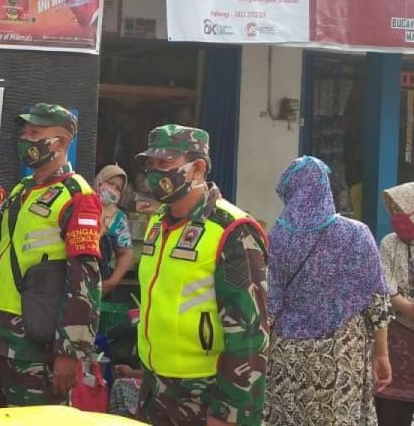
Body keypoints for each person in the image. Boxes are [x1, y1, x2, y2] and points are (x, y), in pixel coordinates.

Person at [0, 103, 103, 406]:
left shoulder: (77, 196)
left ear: (62, 142)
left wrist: (69, 351)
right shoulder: (22, 190)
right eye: (25, 132)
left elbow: (85, 279)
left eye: (36, 132)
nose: (27, 138)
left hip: (36, 343)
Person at [135, 125, 268, 426]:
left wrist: (230, 413)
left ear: (197, 168)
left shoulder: (231, 229)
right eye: (151, 165)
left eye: (165, 164)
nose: (155, 173)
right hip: (156, 387)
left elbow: (250, 333)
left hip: (206, 393)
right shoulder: (157, 223)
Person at [265, 156, 391, 426]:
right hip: (340, 354)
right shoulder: (357, 233)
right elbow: (377, 301)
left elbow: (270, 305)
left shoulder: (276, 236)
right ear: (325, 187)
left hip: (288, 355)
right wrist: (381, 354)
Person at [376, 183, 414, 425]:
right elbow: (384, 285)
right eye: (394, 212)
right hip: (397, 335)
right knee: (392, 413)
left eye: (404, 210)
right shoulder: (389, 243)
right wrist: (409, 308)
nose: (398, 217)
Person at [94, 164, 135, 298]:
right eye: (110, 183)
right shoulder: (80, 204)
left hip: (99, 284)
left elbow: (126, 253)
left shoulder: (118, 218)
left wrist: (111, 282)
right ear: (99, 180)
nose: (113, 190)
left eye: (118, 188)